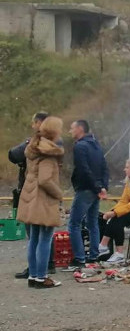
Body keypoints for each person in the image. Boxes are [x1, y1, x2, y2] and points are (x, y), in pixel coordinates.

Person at [16, 116, 65, 288]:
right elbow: (45, 180)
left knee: (34, 239)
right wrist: (59, 194)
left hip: (31, 198)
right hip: (43, 200)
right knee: (45, 239)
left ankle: (33, 276)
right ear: (55, 132)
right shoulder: (48, 153)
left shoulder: (34, 148)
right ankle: (42, 277)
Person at [10, 112, 52, 280]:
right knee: (43, 236)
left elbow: (13, 155)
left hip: (31, 192)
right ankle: (41, 273)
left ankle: (35, 274)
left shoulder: (33, 144)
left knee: (35, 236)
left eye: (34, 122)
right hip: (42, 193)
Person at [67, 120, 109, 268]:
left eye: (72, 128)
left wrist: (97, 187)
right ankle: (93, 256)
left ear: (80, 129)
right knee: (92, 223)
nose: (70, 131)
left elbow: (83, 169)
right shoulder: (96, 145)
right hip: (96, 189)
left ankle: (79, 258)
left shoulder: (80, 146)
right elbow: (104, 167)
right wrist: (102, 187)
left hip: (85, 189)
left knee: (74, 224)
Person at [8, 112, 49, 212]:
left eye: (34, 123)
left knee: (31, 217)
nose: (32, 126)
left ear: (39, 123)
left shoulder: (35, 142)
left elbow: (14, 155)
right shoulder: (56, 141)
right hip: (47, 187)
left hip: (33, 188)